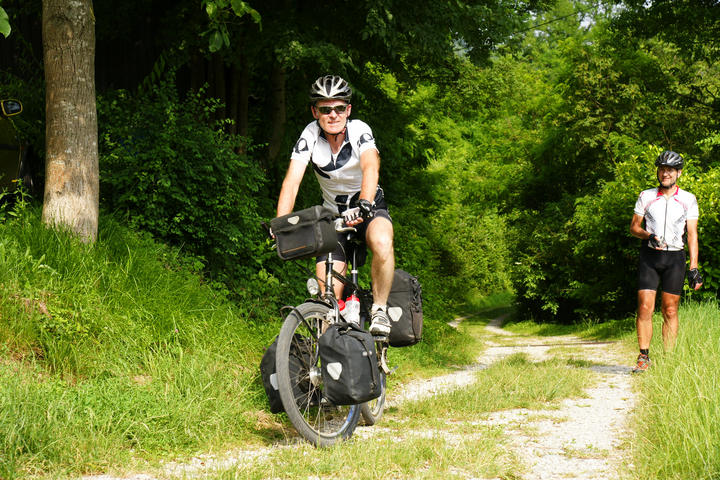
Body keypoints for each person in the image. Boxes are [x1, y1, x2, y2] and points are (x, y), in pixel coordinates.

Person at [276, 75, 395, 336]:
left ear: (348, 110)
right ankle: (326, 346)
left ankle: (379, 309)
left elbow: (370, 166)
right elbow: (292, 181)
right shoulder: (310, 134)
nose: (333, 114)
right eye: (325, 109)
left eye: (339, 108)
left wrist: (365, 204)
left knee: (382, 240)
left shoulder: (359, 130)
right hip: (334, 216)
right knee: (327, 295)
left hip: (368, 207)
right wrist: (281, 223)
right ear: (315, 112)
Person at [629, 150, 703, 372]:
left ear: (678, 173)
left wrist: (694, 267)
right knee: (645, 307)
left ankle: (669, 359)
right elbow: (634, 227)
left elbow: (692, 235)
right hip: (650, 256)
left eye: (670, 170)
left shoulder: (688, 199)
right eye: (662, 169)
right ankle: (643, 357)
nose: (665, 174)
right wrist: (648, 236)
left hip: (675, 258)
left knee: (670, 310)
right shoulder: (646, 196)